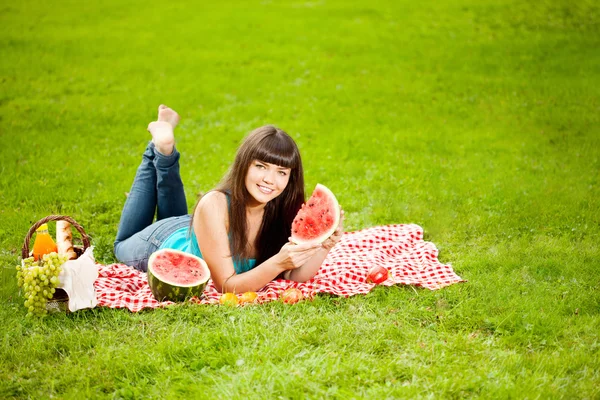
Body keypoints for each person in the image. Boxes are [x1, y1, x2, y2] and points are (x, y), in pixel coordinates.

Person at [114, 105, 344, 293]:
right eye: (261, 166)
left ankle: (165, 149)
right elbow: (226, 285)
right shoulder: (215, 204)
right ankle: (160, 148)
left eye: (281, 172)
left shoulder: (285, 208)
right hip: (159, 241)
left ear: (291, 177)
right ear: (244, 164)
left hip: (198, 231)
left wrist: (324, 246)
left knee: (175, 214)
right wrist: (278, 262)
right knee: (120, 245)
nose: (270, 180)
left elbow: (294, 276)